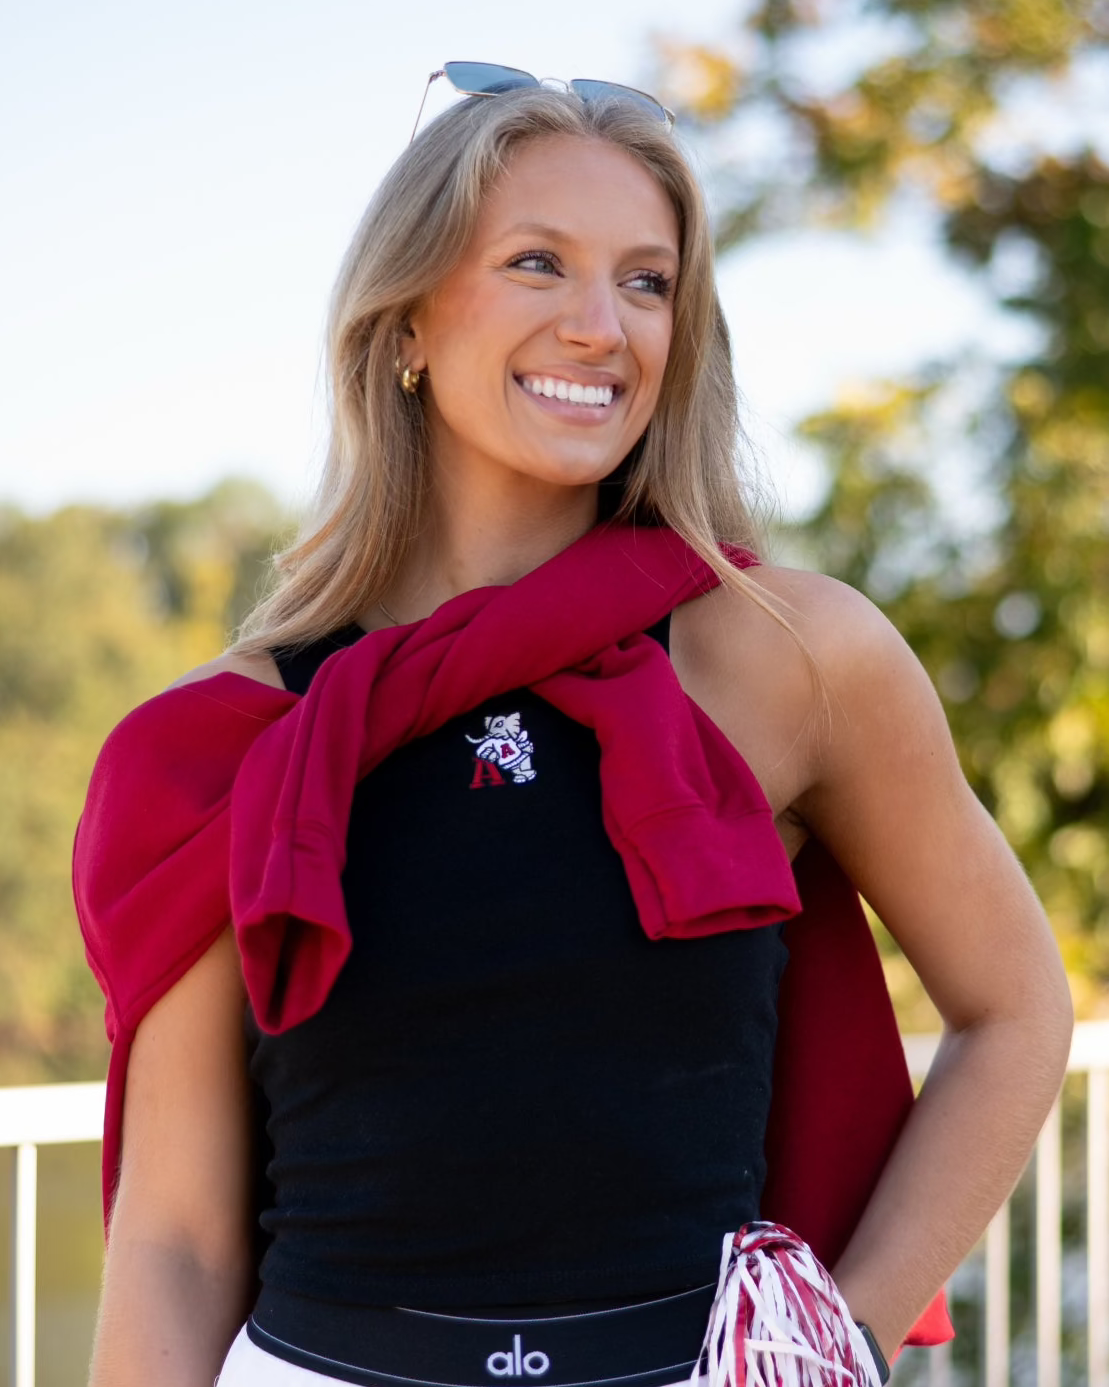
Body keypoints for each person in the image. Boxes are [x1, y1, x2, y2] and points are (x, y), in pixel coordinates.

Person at [75, 70, 1073, 1387]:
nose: (601, 326)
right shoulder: (220, 743)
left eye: (648, 282)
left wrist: (834, 1343)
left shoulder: (790, 656)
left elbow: (1017, 1008)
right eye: (537, 263)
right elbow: (177, 1241)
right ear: (406, 326)